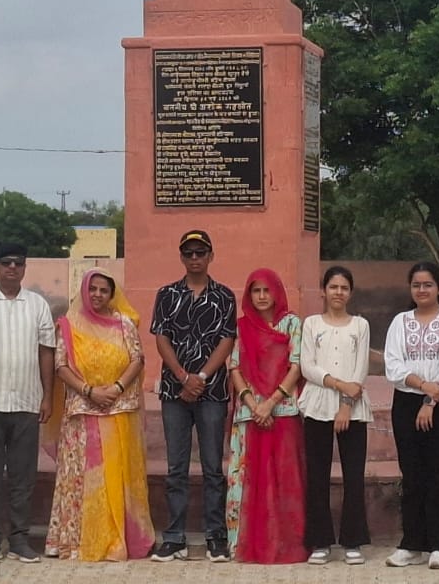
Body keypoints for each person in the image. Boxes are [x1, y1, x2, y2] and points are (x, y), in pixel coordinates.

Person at [45, 268, 153, 561]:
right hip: (82, 412)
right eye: (92, 289)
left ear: (112, 294)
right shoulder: (68, 325)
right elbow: (61, 366)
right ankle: (79, 541)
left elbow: (137, 359)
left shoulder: (124, 324)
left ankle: (117, 540)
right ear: (83, 291)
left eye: (104, 290)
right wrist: (90, 391)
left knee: (116, 477)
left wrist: (116, 388)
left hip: (119, 410)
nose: (97, 295)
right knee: (83, 477)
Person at [150, 228, 237, 562]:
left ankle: (216, 536)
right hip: (175, 392)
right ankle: (174, 537)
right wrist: (183, 377)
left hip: (212, 392)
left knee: (213, 467)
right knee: (177, 468)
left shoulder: (224, 296)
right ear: (182, 257)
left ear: (211, 256)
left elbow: (227, 340)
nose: (195, 258)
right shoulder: (167, 294)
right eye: (189, 253)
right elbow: (161, 338)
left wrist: (200, 377)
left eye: (201, 252)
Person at [0, 242, 56, 563]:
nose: (12, 268)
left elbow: (46, 351)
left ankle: (19, 538)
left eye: (18, 263)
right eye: (6, 262)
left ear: (24, 268)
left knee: (23, 476)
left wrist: (47, 396)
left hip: (27, 402)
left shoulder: (37, 304)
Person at [383, 261, 439, 570]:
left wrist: (430, 401)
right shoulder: (400, 322)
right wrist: (421, 386)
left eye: (428, 284)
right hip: (406, 402)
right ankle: (412, 543)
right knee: (411, 474)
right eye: (416, 285)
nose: (422, 290)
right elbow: (393, 365)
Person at [225, 268, 306, 564]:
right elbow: (234, 368)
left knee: (284, 479)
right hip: (249, 414)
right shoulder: (241, 326)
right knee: (249, 479)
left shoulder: (292, 323)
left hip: (282, 411)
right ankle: (245, 544)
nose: (261, 296)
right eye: (255, 291)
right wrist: (252, 404)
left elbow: (296, 366)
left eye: (266, 290)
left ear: (276, 293)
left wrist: (270, 403)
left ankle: (285, 543)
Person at [298, 265, 371, 565]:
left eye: (344, 288)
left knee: (354, 476)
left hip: (353, 408)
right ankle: (320, 541)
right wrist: (339, 385)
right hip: (317, 405)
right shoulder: (312, 324)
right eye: (333, 287)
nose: (338, 292)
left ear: (350, 293)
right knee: (317, 475)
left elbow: (360, 368)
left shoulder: (360, 325)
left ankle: (353, 539)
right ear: (323, 291)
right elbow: (308, 366)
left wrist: (346, 404)